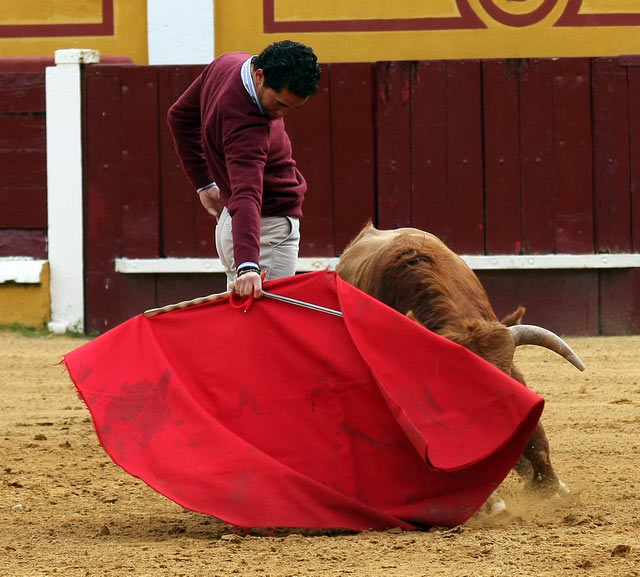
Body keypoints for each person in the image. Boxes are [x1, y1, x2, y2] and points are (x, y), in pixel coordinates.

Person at [167, 40, 321, 299]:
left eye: (291, 108)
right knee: (267, 331)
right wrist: (249, 265)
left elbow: (179, 116)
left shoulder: (230, 63)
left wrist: (204, 183)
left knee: (250, 328)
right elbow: (247, 194)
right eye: (278, 103)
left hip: (241, 226)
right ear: (260, 76)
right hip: (264, 233)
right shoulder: (249, 127)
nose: (280, 114)